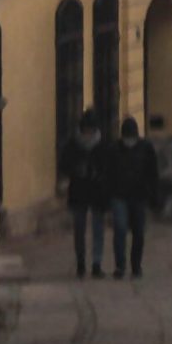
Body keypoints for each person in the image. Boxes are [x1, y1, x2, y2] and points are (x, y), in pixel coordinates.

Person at [107, 116, 160, 280]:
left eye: (131, 137)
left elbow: (153, 173)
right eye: (127, 137)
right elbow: (108, 174)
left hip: (139, 195)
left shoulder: (145, 148)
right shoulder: (114, 149)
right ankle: (120, 265)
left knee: (138, 231)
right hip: (119, 195)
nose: (129, 141)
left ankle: (136, 265)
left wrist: (153, 194)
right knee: (120, 228)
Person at [64, 107, 106, 278]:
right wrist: (76, 170)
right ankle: (81, 262)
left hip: (97, 191)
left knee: (98, 228)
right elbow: (64, 164)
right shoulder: (73, 145)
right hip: (79, 190)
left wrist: (99, 173)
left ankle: (96, 263)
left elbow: (108, 166)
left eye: (91, 129)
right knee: (79, 228)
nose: (88, 133)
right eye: (86, 129)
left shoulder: (101, 145)